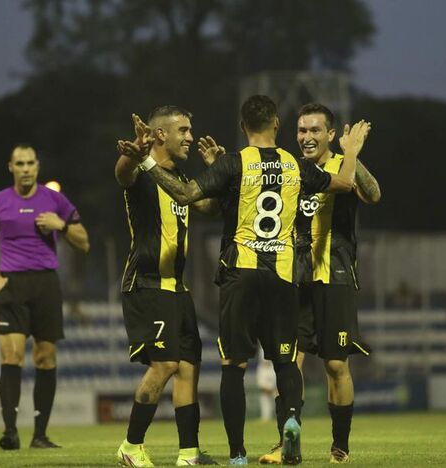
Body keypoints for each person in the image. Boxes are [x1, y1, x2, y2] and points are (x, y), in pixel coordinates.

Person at [118, 94, 370, 465]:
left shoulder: (234, 164)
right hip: (284, 275)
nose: (189, 136)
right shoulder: (293, 164)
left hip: (239, 274)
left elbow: (192, 197)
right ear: (278, 126)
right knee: (286, 363)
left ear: (242, 127)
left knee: (232, 365)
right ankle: (290, 421)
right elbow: (348, 183)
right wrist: (352, 150)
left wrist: (169, 164)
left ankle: (236, 453)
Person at [260, 103, 379, 464]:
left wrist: (352, 154)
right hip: (295, 279)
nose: (306, 137)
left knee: (335, 365)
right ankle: (286, 442)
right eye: (301, 131)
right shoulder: (290, 169)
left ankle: (339, 446)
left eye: (314, 131)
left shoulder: (344, 166)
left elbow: (373, 194)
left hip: (336, 276)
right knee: (288, 361)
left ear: (330, 134)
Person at [114, 109, 218, 467]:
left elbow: (207, 205)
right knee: (165, 364)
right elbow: (122, 174)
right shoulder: (140, 174)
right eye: (183, 130)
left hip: (177, 288)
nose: (190, 136)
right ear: (160, 135)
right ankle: (131, 446)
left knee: (188, 366)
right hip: (147, 283)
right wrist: (133, 154)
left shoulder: (179, 177)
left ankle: (189, 454)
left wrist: (215, 175)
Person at [0, 144, 89, 450]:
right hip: (11, 285)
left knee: (45, 357)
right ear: (11, 167)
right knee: (10, 355)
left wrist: (61, 225)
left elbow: (84, 243)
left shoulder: (54, 200)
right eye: (20, 163)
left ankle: (40, 435)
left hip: (46, 285)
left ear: (37, 166)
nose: (25, 168)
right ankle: (10, 432)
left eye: (30, 163)